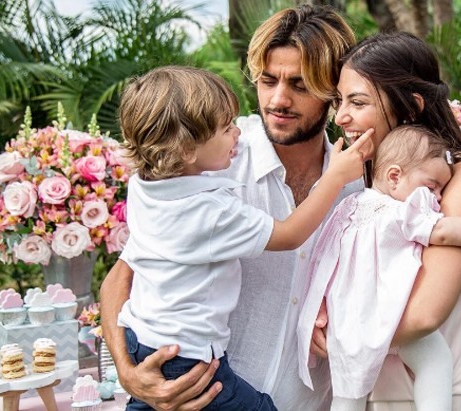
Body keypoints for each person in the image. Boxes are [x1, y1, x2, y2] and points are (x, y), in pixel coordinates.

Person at [99, 5, 361, 410]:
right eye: (267, 80)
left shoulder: (362, 184)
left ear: (334, 92)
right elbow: (123, 278)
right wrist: (129, 372)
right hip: (205, 397)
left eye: (300, 85)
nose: (278, 99)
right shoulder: (205, 161)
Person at [307, 31, 461, 410]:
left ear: (411, 107)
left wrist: (339, 331)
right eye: (340, 100)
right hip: (386, 397)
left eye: (358, 101)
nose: (341, 116)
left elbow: (423, 314)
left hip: (460, 397)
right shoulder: (377, 183)